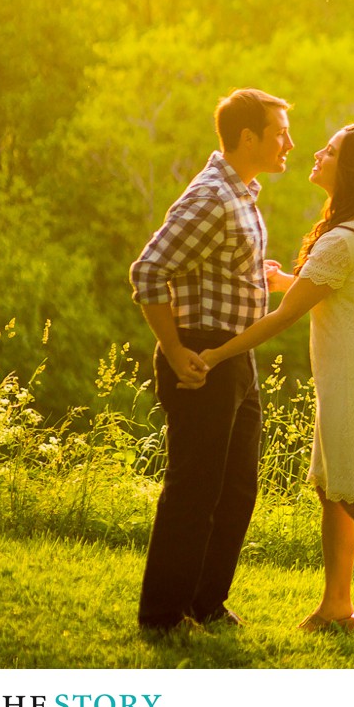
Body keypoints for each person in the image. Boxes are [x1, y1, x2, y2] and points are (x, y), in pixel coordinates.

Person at [201, 122, 354, 644]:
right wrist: (290, 280)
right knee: (336, 492)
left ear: (346, 169)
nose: (316, 153)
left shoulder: (341, 240)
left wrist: (217, 353)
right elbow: (336, 291)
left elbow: (284, 317)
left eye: (328, 151)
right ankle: (336, 606)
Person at [130, 87, 294, 634]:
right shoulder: (212, 197)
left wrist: (252, 273)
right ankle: (161, 615)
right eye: (279, 134)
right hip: (201, 356)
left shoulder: (242, 191)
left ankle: (205, 603)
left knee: (236, 488)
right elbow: (148, 271)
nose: (289, 143)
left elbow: (211, 263)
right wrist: (175, 351)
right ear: (248, 137)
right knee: (194, 490)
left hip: (235, 358)